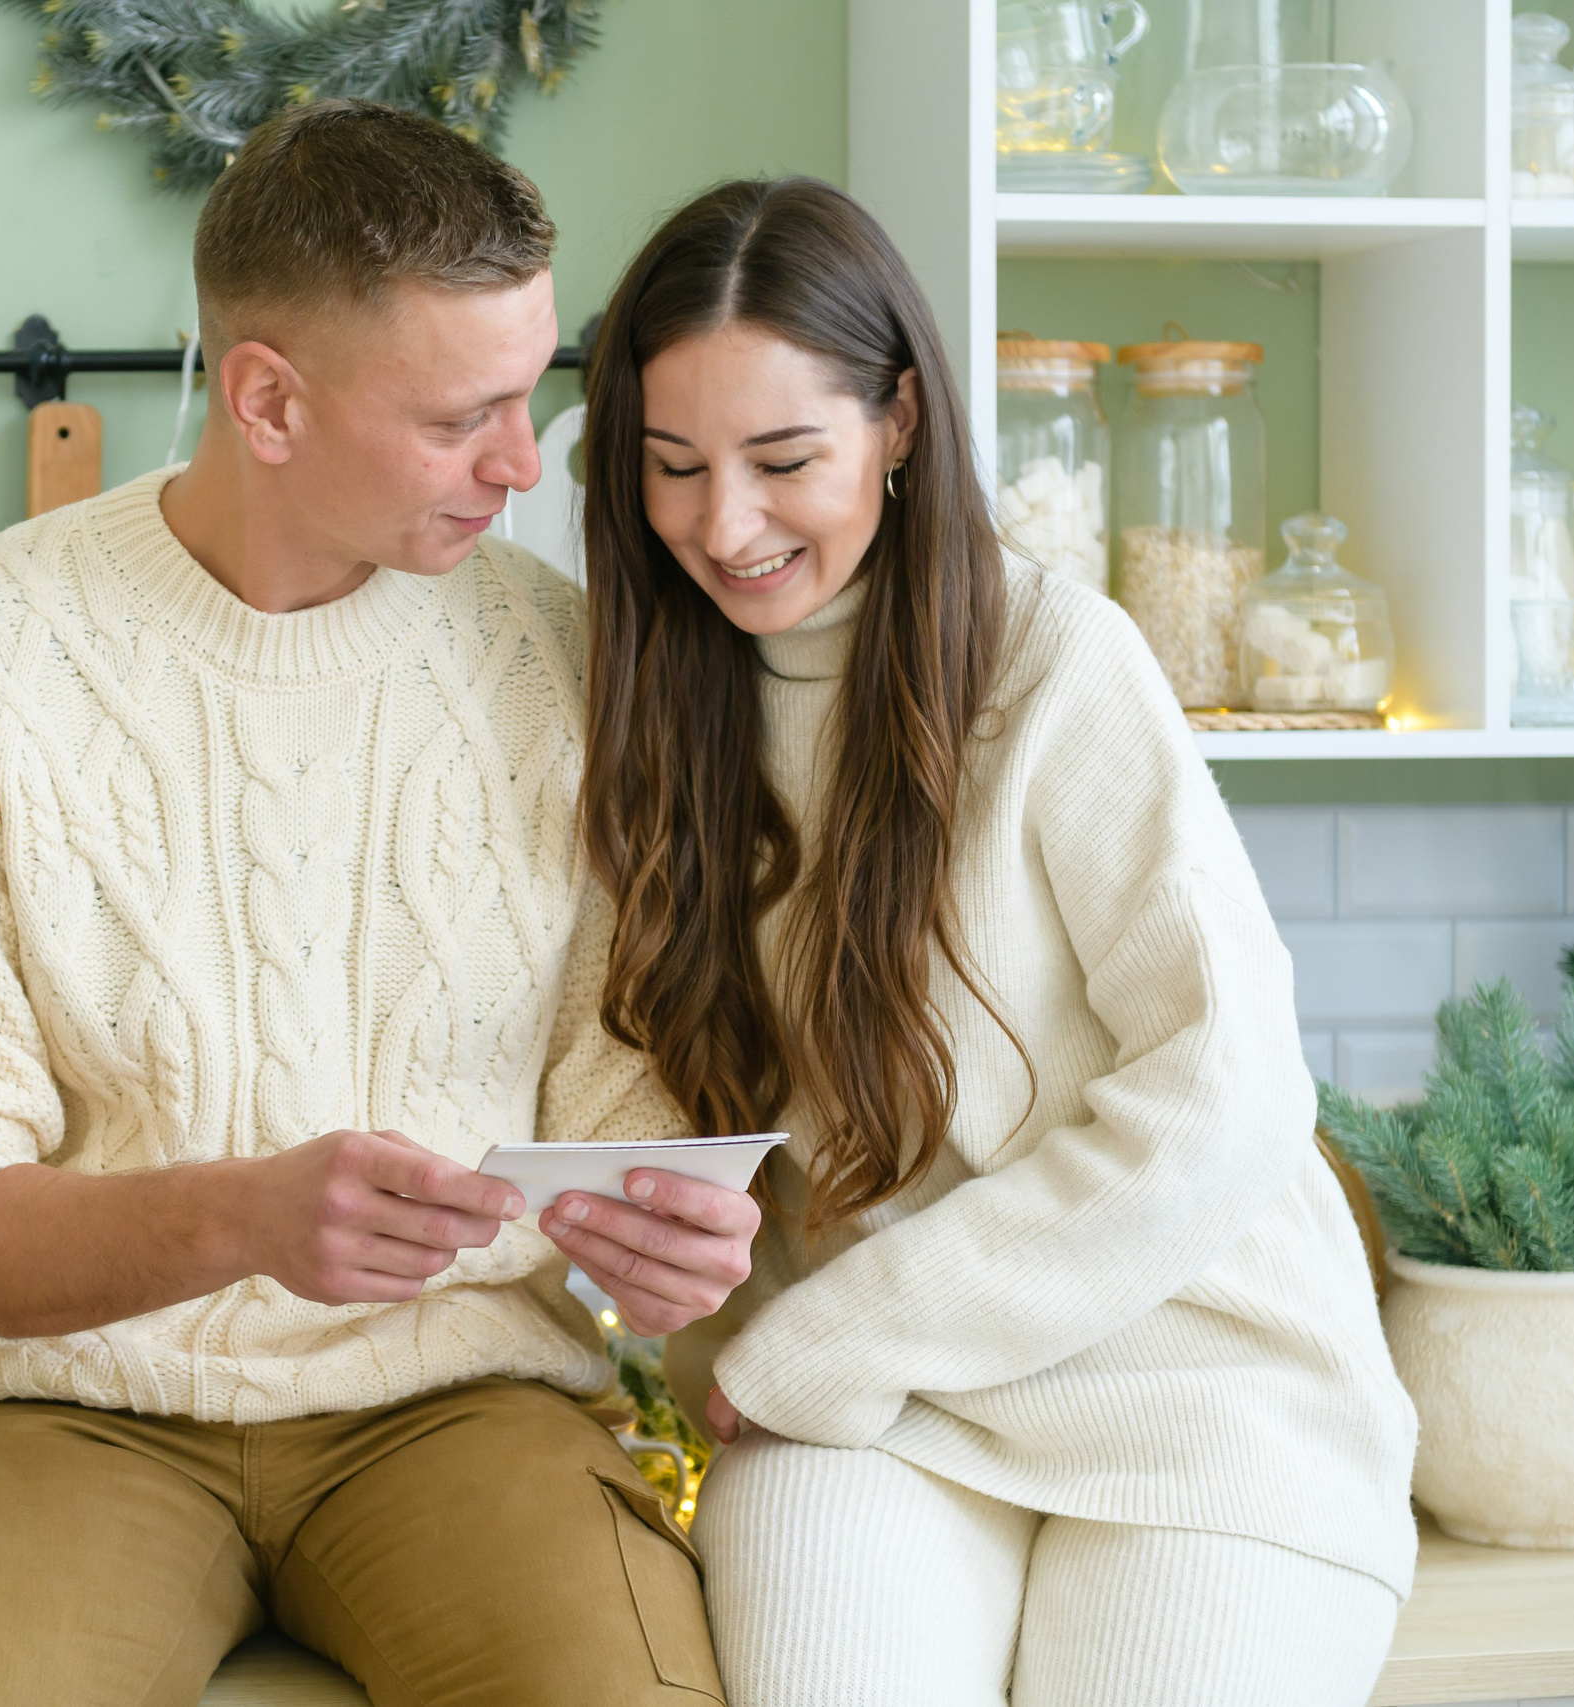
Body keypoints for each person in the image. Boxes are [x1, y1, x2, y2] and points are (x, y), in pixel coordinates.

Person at [0, 102, 757, 1707]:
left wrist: (661, 1242)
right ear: (268, 401)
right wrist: (241, 1219)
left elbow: (621, 1095)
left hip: (464, 1408)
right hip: (57, 1412)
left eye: (534, 393)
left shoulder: (569, 660)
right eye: (464, 419)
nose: (525, 462)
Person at [575, 176, 1419, 1707]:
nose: (724, 524)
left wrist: (823, 1341)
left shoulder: (1056, 661)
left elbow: (1220, 1093)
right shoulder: (657, 702)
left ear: (898, 423)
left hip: (1200, 1386)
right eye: (673, 466)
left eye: (783, 460)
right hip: (874, 1415)